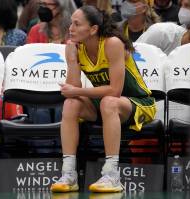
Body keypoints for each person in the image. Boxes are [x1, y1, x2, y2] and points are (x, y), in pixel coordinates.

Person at [50, 5, 156, 193]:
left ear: (93, 29)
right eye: (71, 24)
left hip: (138, 103)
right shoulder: (76, 47)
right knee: (71, 104)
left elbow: (115, 91)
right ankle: (69, 174)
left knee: (108, 101)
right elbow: (73, 89)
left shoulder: (112, 43)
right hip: (107, 106)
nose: (70, 28)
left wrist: (76, 91)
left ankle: (112, 175)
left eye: (76, 24)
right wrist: (72, 60)